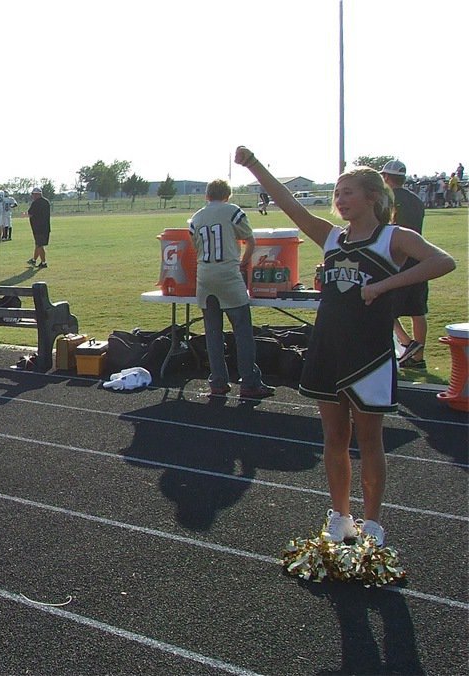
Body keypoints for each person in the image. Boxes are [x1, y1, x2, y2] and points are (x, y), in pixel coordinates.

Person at [235, 146, 455, 547]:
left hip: (369, 353)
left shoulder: (394, 237)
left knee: (369, 439)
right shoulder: (331, 237)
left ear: (373, 196)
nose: (340, 199)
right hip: (327, 349)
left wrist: (385, 285)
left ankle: (372, 522)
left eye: (348, 191)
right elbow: (289, 205)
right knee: (333, 438)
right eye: (337, 192)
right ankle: (340, 516)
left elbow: (443, 262)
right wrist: (254, 166)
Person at [187, 180, 273, 399]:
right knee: (243, 332)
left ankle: (218, 381)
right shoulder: (233, 211)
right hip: (228, 275)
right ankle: (249, 382)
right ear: (228, 194)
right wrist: (243, 263)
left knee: (213, 333)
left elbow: (196, 248)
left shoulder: (196, 217)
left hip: (205, 277)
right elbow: (250, 241)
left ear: (207, 195)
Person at [380, 160, 429, 369]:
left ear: (387, 177)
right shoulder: (416, 200)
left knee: (384, 308)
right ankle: (417, 355)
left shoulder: (386, 199)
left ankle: (406, 343)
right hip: (419, 259)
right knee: (418, 311)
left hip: (397, 260)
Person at [26, 187, 51, 268]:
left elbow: (30, 213)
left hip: (38, 227)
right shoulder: (46, 202)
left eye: (33, 194)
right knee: (38, 244)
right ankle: (34, 260)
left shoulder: (35, 203)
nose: (33, 196)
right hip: (46, 226)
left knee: (40, 245)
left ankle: (43, 262)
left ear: (37, 194)